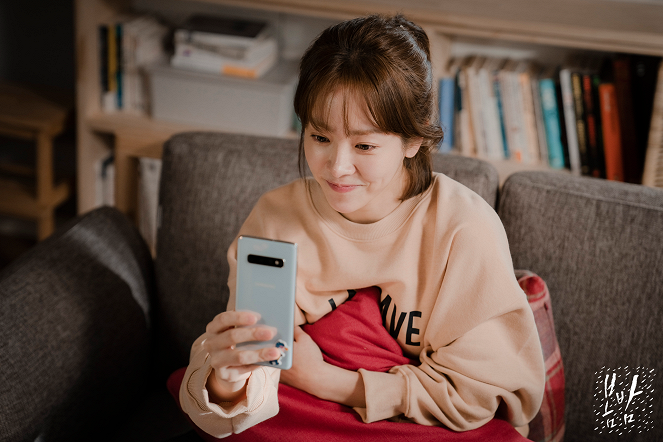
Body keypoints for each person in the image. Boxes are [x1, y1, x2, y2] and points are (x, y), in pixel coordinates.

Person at [178, 14, 545, 439]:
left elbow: (476, 395)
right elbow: (260, 369)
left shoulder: (463, 229)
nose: (337, 167)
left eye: (365, 145)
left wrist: (325, 380)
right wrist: (227, 381)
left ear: (414, 140)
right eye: (319, 138)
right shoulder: (276, 218)